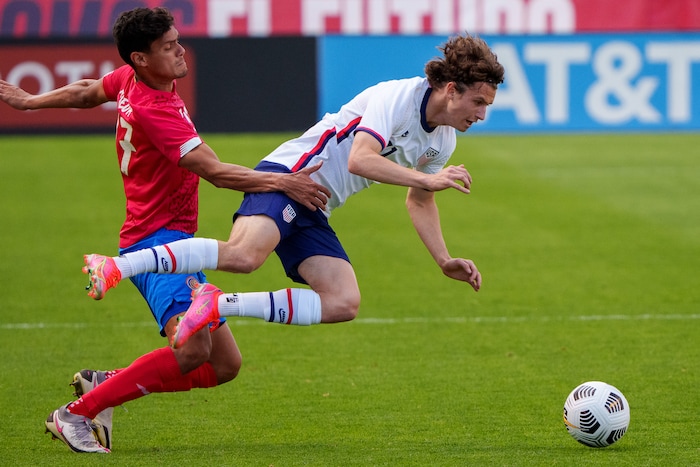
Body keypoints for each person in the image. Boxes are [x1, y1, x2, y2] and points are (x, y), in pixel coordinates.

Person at [0, 7, 329, 454]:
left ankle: (105, 385)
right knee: (192, 352)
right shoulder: (156, 108)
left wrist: (28, 101)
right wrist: (282, 181)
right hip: (155, 242)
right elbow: (215, 172)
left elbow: (87, 91)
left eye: (178, 40)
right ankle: (74, 415)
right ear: (141, 57)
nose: (180, 50)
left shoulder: (131, 80)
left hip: (172, 238)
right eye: (169, 46)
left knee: (225, 364)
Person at [85, 33, 504, 349]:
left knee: (343, 302)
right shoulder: (397, 96)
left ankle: (216, 304)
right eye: (479, 102)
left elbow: (420, 199)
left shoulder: (443, 140)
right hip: (291, 176)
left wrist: (443, 258)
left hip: (316, 206)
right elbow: (361, 159)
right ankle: (118, 266)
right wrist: (427, 178)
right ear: (452, 89)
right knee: (243, 256)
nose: (482, 114)